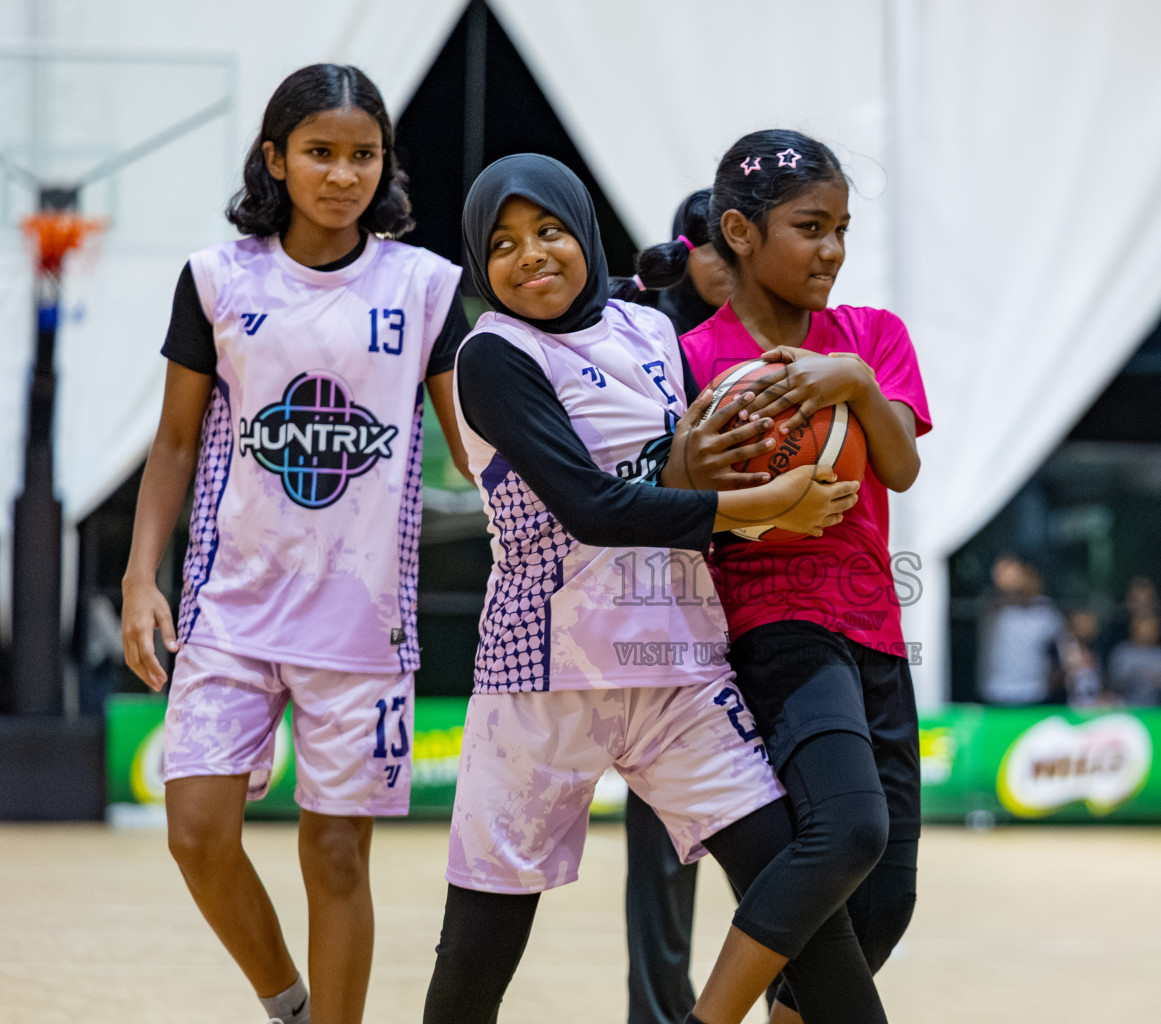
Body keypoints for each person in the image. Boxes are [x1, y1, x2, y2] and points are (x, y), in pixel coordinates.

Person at [422, 153, 889, 1024]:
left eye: (550, 231)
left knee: (809, 918)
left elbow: (678, 466)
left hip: (677, 663)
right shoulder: (493, 353)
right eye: (504, 245)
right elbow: (593, 506)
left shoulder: (647, 333)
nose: (531, 256)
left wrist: (777, 455)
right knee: (481, 945)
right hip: (544, 675)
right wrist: (759, 507)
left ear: (584, 234)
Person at [119, 64, 470, 1024]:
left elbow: (475, 446)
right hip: (232, 607)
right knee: (196, 832)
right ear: (276, 158)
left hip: (363, 625)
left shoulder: (426, 286)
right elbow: (176, 441)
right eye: (320, 152)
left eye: (364, 155)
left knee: (336, 853)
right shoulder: (218, 278)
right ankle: (290, 1004)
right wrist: (139, 578)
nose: (343, 174)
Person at [665, 128, 930, 1023]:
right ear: (739, 231)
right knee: (848, 829)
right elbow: (668, 504)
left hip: (876, 631)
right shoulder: (692, 359)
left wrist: (850, 380)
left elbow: (900, 468)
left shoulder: (871, 337)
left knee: (885, 901)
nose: (833, 249)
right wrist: (698, 469)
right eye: (810, 226)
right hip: (771, 624)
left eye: (843, 227)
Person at [620, 189, 738, 1024]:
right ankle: (656, 1017)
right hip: (653, 616)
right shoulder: (640, 330)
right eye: (721, 255)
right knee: (660, 853)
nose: (736, 272)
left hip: (746, 599)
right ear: (686, 250)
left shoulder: (771, 337)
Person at [979, 554, 1066, 706]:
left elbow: (1066, 648)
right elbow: (1001, 595)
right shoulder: (992, 605)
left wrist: (1055, 677)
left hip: (1034, 694)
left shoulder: (1045, 610)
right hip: (996, 694)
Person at [1107, 615, 1161, 707]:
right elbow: (1114, 683)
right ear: (1133, 629)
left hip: (1160, 711)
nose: (1146, 631)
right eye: (1143, 627)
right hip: (1127, 710)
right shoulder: (1122, 653)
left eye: (1150, 627)